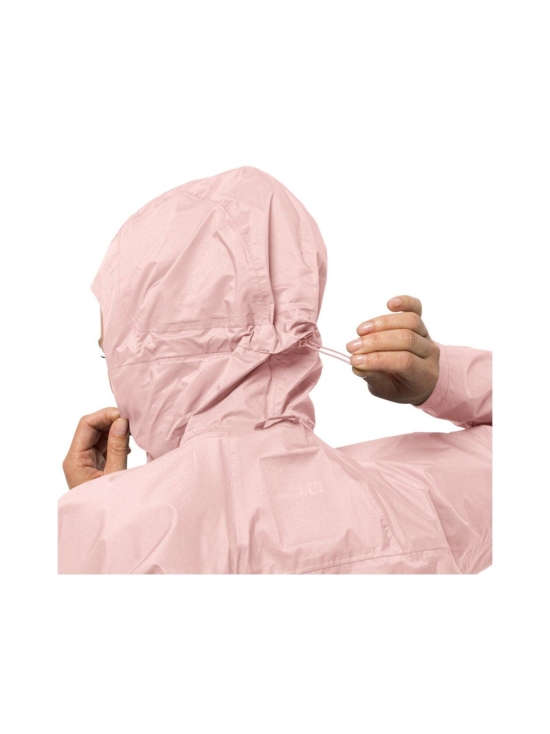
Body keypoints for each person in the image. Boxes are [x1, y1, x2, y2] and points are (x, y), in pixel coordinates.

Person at [58, 166, 492, 574]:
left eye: (110, 354)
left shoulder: (103, 533)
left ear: (145, 357)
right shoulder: (409, 499)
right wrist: (440, 380)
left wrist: (100, 515)